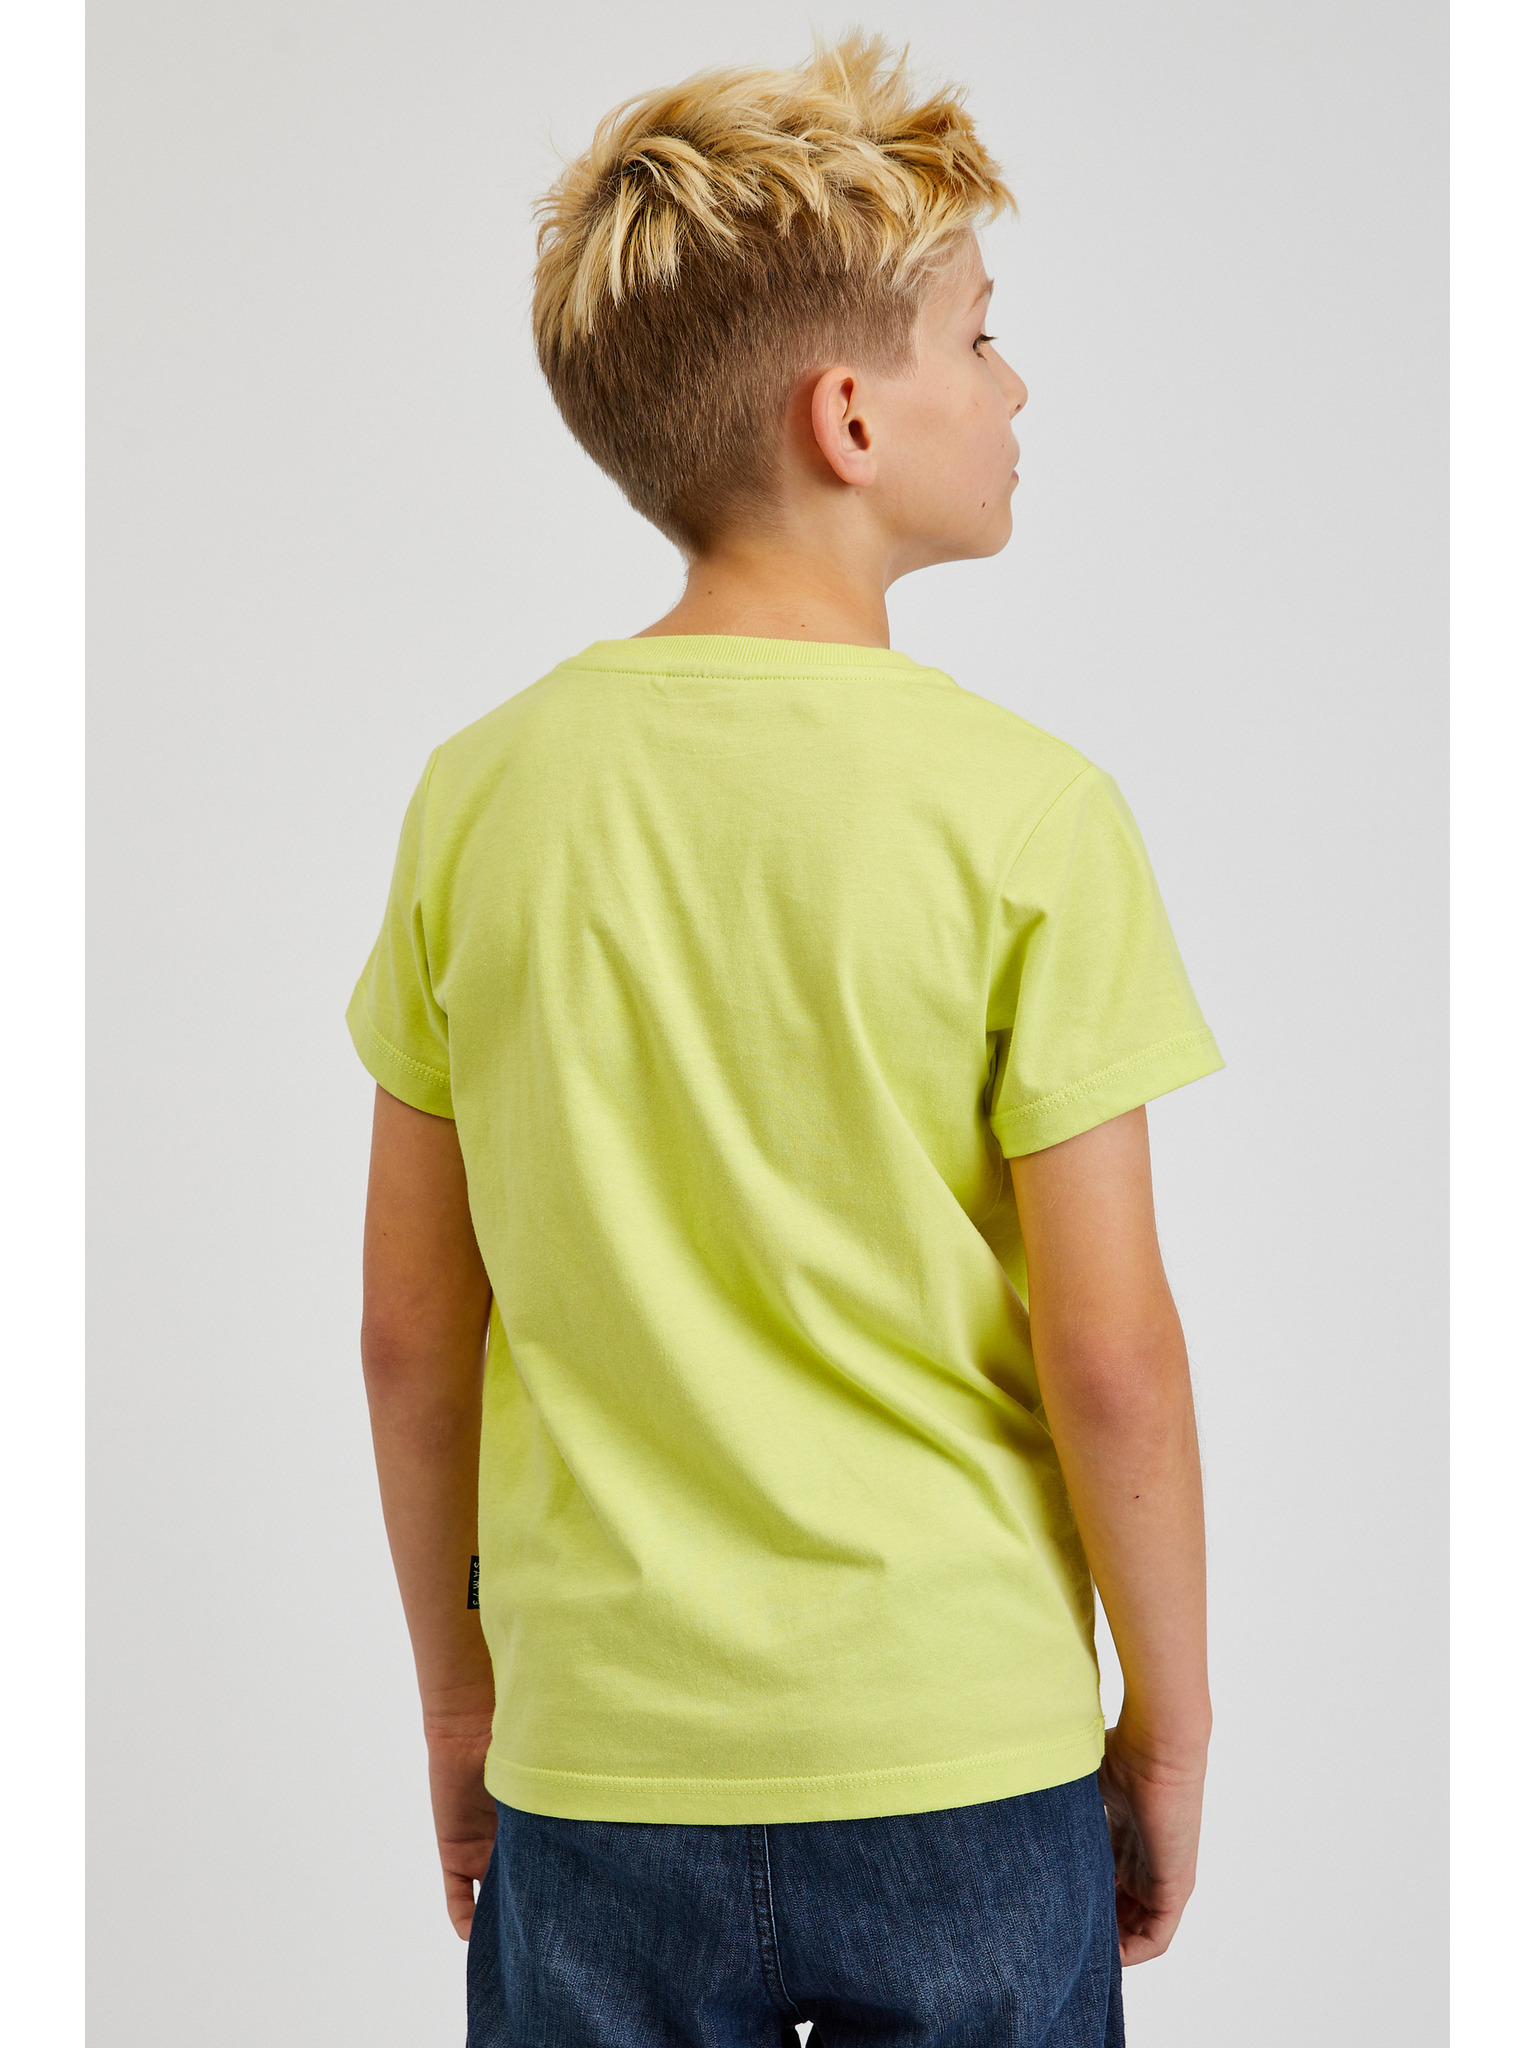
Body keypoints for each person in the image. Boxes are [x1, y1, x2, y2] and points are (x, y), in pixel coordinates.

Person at [347, 32, 1223, 2048]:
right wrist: (1165, 1731)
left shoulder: (480, 797)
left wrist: (465, 1705)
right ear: (849, 416)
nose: (1015, 386)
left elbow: (408, 1336)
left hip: (602, 1767)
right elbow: (1114, 1356)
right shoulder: (1028, 815)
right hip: (963, 1750)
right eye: (979, 338)